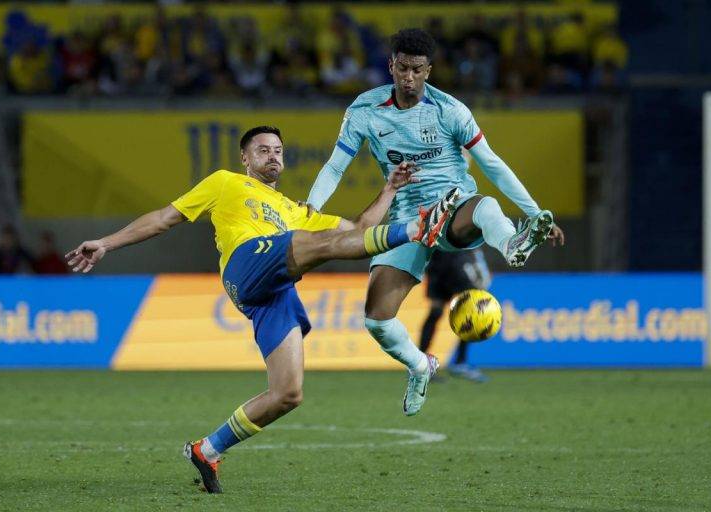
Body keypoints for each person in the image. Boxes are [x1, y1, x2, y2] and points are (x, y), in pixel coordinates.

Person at [65, 125, 455, 494]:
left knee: (287, 393)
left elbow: (355, 230)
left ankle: (207, 450)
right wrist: (106, 243)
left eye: (278, 151)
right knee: (311, 243)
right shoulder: (225, 183)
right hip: (246, 264)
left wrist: (388, 190)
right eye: (263, 150)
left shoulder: (292, 210)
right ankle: (417, 229)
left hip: (274, 288)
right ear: (245, 159)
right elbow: (164, 219)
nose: (273, 156)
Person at [306, 28, 565, 416]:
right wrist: (311, 204)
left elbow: (492, 164)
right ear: (391, 66)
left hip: (453, 209)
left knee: (484, 204)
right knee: (376, 320)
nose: (408, 77)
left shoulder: (450, 110)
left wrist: (532, 211)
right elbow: (336, 164)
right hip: (408, 221)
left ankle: (512, 242)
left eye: (416, 69)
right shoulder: (364, 110)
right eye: (402, 68)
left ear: (429, 70)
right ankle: (419, 364)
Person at [419, 248, 491, 383]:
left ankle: (460, 362)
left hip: (458, 262)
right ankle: (420, 366)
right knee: (436, 312)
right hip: (438, 262)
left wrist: (476, 258)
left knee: (471, 309)